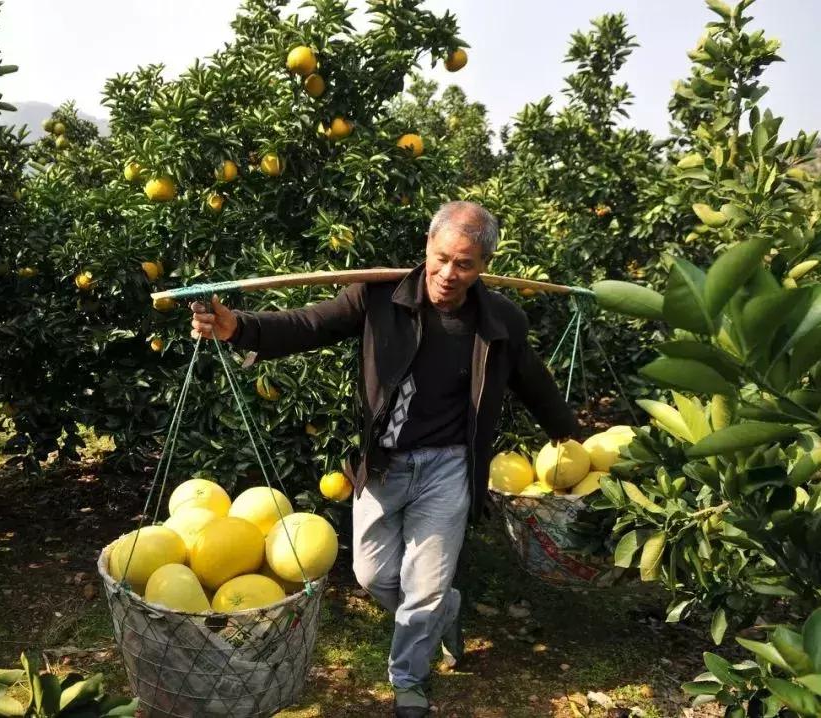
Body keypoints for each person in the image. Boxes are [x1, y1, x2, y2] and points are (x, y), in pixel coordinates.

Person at [189, 200, 578, 717]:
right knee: (373, 576)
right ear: (427, 246)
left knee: (424, 586)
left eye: (464, 264)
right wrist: (239, 327)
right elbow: (308, 324)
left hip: (449, 466)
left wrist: (574, 441)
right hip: (385, 462)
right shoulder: (379, 297)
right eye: (441, 258)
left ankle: (409, 681)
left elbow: (536, 384)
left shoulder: (501, 321)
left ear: (485, 263)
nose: (448, 274)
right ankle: (444, 612)